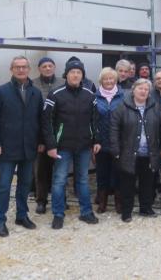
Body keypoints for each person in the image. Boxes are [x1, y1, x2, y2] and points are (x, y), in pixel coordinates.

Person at [0, 56, 43, 237]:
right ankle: (0, 220)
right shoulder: (0, 92)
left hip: (29, 147)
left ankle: (22, 215)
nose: (21, 70)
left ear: (29, 69)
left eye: (24, 67)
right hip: (7, 148)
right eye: (17, 67)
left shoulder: (36, 93)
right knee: (4, 185)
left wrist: (41, 141)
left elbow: (41, 120)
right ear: (11, 69)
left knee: (25, 184)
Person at [42, 58, 101, 229]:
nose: (75, 75)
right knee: (60, 180)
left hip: (84, 146)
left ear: (82, 75)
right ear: (66, 74)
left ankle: (86, 212)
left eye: (78, 72)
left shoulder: (90, 94)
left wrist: (96, 140)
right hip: (62, 147)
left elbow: (95, 119)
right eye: (72, 72)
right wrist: (51, 145)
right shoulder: (55, 94)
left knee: (82, 180)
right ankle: (58, 214)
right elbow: (46, 122)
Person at [109, 78, 161, 222]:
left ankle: (145, 208)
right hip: (128, 153)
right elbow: (114, 129)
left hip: (150, 153)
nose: (143, 91)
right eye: (140, 88)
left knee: (147, 184)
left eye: (146, 89)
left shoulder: (155, 107)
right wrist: (115, 149)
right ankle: (126, 212)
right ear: (133, 90)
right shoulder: (122, 107)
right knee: (127, 185)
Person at [32, 57, 63, 215]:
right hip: (40, 134)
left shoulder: (63, 83)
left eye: (50, 65)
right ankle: (41, 201)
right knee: (41, 170)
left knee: (60, 170)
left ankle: (60, 199)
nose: (47, 68)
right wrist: (39, 139)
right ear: (39, 69)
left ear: (54, 67)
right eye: (44, 66)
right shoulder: (32, 84)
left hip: (60, 134)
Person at [94, 67, 124, 214]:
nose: (108, 81)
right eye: (105, 79)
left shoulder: (123, 96)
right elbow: (92, 120)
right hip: (101, 143)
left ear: (115, 80)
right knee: (102, 173)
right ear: (101, 81)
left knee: (118, 173)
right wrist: (95, 140)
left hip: (119, 142)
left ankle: (119, 202)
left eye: (111, 78)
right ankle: (102, 202)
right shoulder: (94, 97)